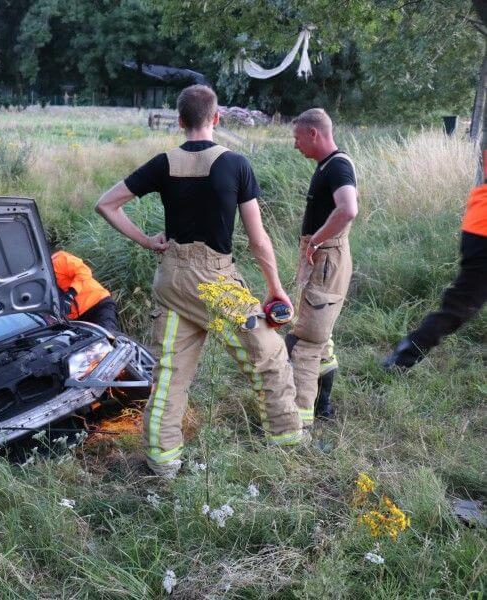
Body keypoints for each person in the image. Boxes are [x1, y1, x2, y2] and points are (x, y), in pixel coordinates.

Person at [95, 84, 304, 478]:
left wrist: (146, 240)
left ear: (179, 121)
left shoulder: (162, 163)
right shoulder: (235, 164)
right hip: (214, 282)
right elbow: (258, 239)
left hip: (171, 279)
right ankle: (287, 441)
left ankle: (162, 460)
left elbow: (105, 204)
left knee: (170, 374)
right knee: (270, 356)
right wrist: (275, 287)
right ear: (216, 118)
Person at [284, 108, 358, 429]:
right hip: (322, 261)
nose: (295, 145)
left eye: (297, 138)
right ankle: (323, 407)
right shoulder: (327, 165)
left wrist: (315, 241)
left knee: (303, 345)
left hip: (326, 260)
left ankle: (299, 427)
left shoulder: (338, 166)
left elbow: (348, 208)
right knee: (321, 340)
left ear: (314, 133)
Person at [383, 180, 487, 370]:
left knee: (463, 303)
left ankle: (407, 353)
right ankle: (404, 356)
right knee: (462, 304)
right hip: (483, 229)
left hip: (479, 222)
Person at [51, 250, 120, 331]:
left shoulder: (58, 259)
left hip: (98, 304)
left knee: (108, 336)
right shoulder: (37, 282)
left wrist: (70, 294)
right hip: (76, 319)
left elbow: (84, 271)